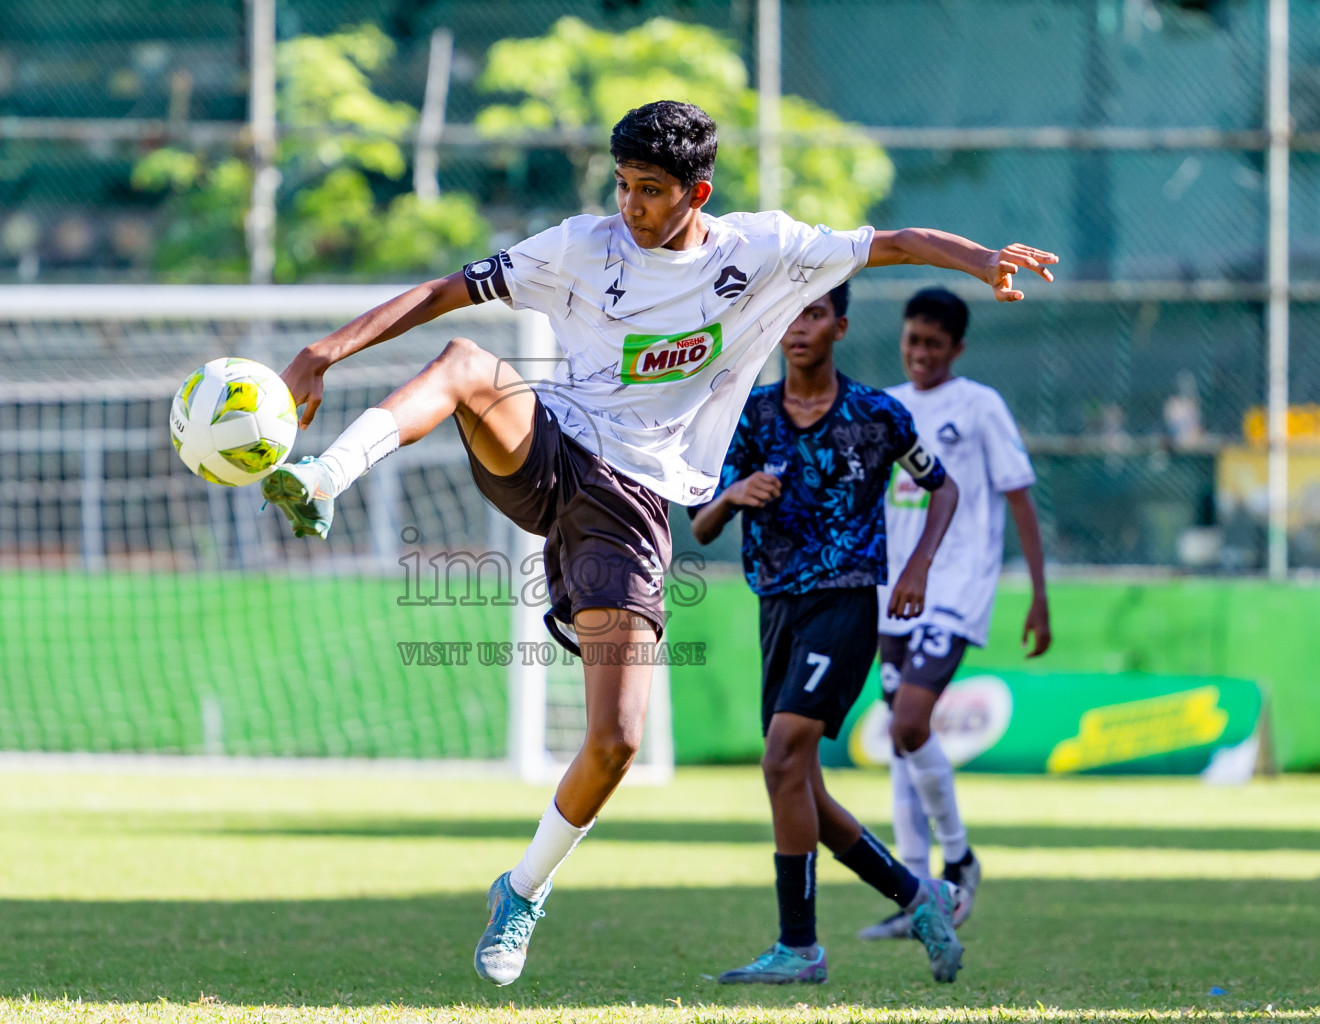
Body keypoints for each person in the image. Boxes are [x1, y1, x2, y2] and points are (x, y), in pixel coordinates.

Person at [260, 99, 1056, 987]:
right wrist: (323, 352)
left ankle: (523, 889)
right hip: (550, 452)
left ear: (696, 192)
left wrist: (982, 260)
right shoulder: (581, 246)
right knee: (463, 361)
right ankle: (324, 479)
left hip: (636, 510)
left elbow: (895, 241)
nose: (630, 207)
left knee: (617, 741)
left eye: (648, 191)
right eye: (622, 186)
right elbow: (447, 289)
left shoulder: (765, 254)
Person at [688, 282, 964, 985]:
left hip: (843, 605)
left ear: (839, 325)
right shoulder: (751, 417)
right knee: (800, 785)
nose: (798, 326)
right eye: (788, 314)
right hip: (776, 609)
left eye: (812, 313)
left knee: (781, 759)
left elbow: (944, 488)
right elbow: (701, 524)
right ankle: (917, 893)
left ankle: (800, 946)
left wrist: (918, 569)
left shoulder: (877, 414)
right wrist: (732, 494)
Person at [859, 287, 1052, 942]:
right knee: (900, 739)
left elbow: (1018, 497)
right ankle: (918, 895)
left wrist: (1038, 595)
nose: (920, 354)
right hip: (892, 594)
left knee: (910, 722)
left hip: (956, 584)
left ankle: (960, 858)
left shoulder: (978, 406)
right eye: (913, 340)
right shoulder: (887, 407)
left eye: (934, 345)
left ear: (957, 349)